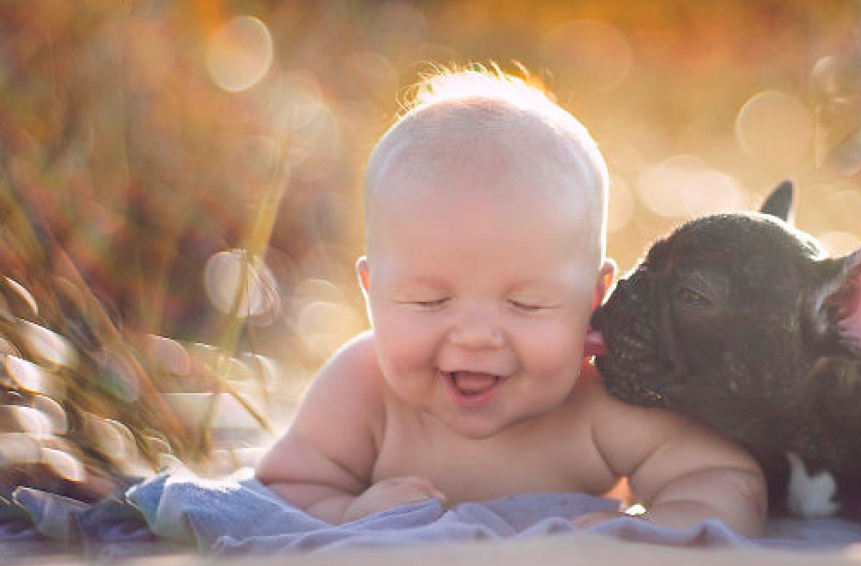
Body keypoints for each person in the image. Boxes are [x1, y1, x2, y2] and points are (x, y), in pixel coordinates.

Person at [256, 67, 765, 537]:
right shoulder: (361, 391)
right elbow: (282, 493)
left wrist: (662, 526)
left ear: (593, 299)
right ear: (372, 293)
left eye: (526, 304)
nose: (476, 334)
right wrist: (347, 515)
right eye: (431, 300)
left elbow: (721, 476)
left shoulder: (598, 401)